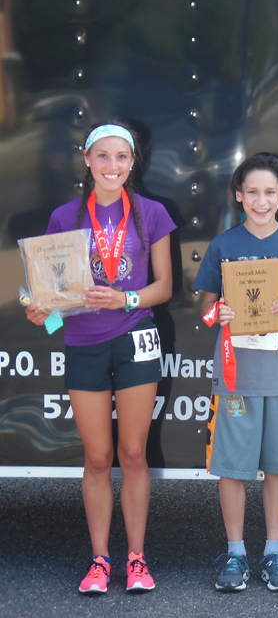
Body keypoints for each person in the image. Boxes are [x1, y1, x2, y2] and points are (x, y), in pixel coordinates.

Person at [24, 122, 176, 594]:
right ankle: (99, 561)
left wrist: (126, 300)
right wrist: (41, 312)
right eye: (103, 156)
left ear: (134, 164)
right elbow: (50, 297)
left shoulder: (151, 212)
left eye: (122, 158)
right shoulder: (65, 217)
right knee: (96, 457)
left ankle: (136, 559)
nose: (113, 166)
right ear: (87, 160)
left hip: (135, 338)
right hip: (84, 342)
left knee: (133, 454)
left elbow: (165, 287)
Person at [195, 153, 278, 592]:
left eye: (270, 192)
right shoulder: (223, 246)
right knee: (232, 469)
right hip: (236, 376)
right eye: (252, 192)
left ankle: (274, 552)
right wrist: (220, 311)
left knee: (277, 468)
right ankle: (235, 555)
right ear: (239, 195)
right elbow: (205, 310)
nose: (261, 200)